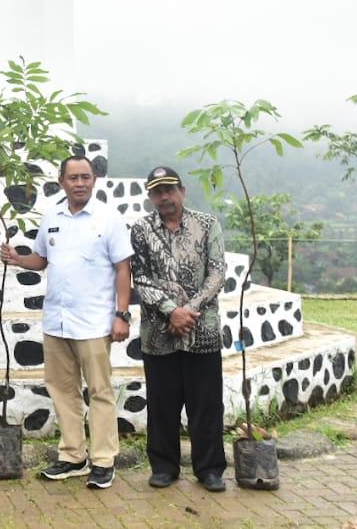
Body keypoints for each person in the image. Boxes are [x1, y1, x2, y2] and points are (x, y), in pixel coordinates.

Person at [1, 155, 133, 490]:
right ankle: (74, 456)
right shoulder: (52, 217)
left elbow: (123, 269)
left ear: (94, 180)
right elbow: (42, 259)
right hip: (56, 322)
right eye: (73, 177)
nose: (80, 183)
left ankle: (103, 461)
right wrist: (17, 259)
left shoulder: (109, 218)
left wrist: (121, 314)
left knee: (100, 392)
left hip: (94, 323)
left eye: (85, 177)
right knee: (62, 391)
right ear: (62, 182)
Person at [129, 165, 228, 493]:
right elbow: (140, 277)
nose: (165, 197)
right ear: (150, 196)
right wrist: (171, 312)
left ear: (182, 191)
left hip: (202, 331)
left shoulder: (208, 225)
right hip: (159, 334)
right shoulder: (141, 229)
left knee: (207, 405)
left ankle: (210, 469)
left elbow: (217, 273)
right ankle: (164, 467)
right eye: (157, 192)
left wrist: (189, 310)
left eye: (170, 189)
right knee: (162, 405)